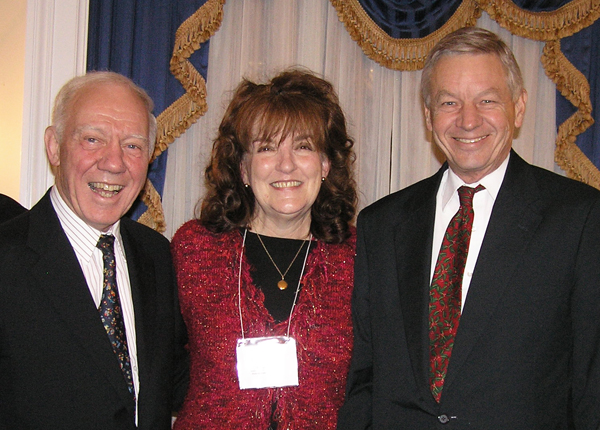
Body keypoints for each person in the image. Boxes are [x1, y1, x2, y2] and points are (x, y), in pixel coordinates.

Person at [338, 27, 600, 429]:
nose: (468, 120)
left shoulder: (579, 218)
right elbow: (364, 377)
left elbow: (590, 380)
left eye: (487, 100)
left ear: (519, 107)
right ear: (428, 116)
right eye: (449, 102)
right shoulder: (381, 224)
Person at [0, 71, 189, 430]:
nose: (114, 163)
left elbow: (177, 379)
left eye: (132, 145)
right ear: (54, 146)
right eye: (92, 139)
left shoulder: (158, 255)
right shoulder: (6, 260)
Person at [171, 69, 357, 429]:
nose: (286, 164)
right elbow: (162, 363)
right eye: (267, 147)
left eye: (303, 146)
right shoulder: (194, 249)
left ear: (325, 164)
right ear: (243, 167)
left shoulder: (358, 259)